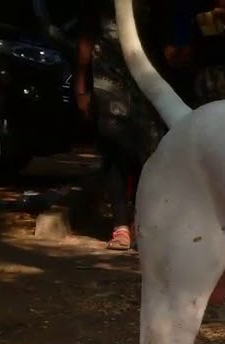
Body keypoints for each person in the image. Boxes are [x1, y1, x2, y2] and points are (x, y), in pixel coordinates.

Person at [73, 0, 168, 251]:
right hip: (108, 81)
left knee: (148, 153)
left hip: (147, 84)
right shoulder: (102, 7)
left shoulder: (152, 8)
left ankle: (142, 224)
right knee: (114, 145)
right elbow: (86, 40)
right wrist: (82, 88)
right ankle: (120, 225)